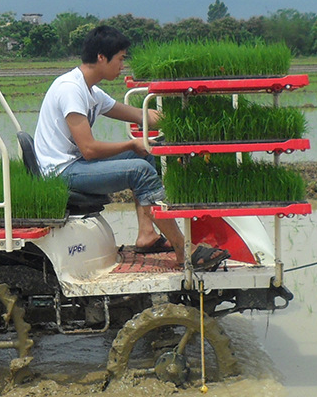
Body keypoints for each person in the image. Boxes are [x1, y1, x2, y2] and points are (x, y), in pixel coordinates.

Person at [33, 25, 227, 269]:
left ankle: (147, 235)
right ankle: (183, 249)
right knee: (139, 169)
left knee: (146, 153)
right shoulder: (70, 90)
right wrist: (131, 143)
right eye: (120, 59)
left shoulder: (90, 90)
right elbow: (89, 149)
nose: (122, 65)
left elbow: (138, 114)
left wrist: (186, 121)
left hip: (75, 164)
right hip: (63, 171)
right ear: (101, 57)